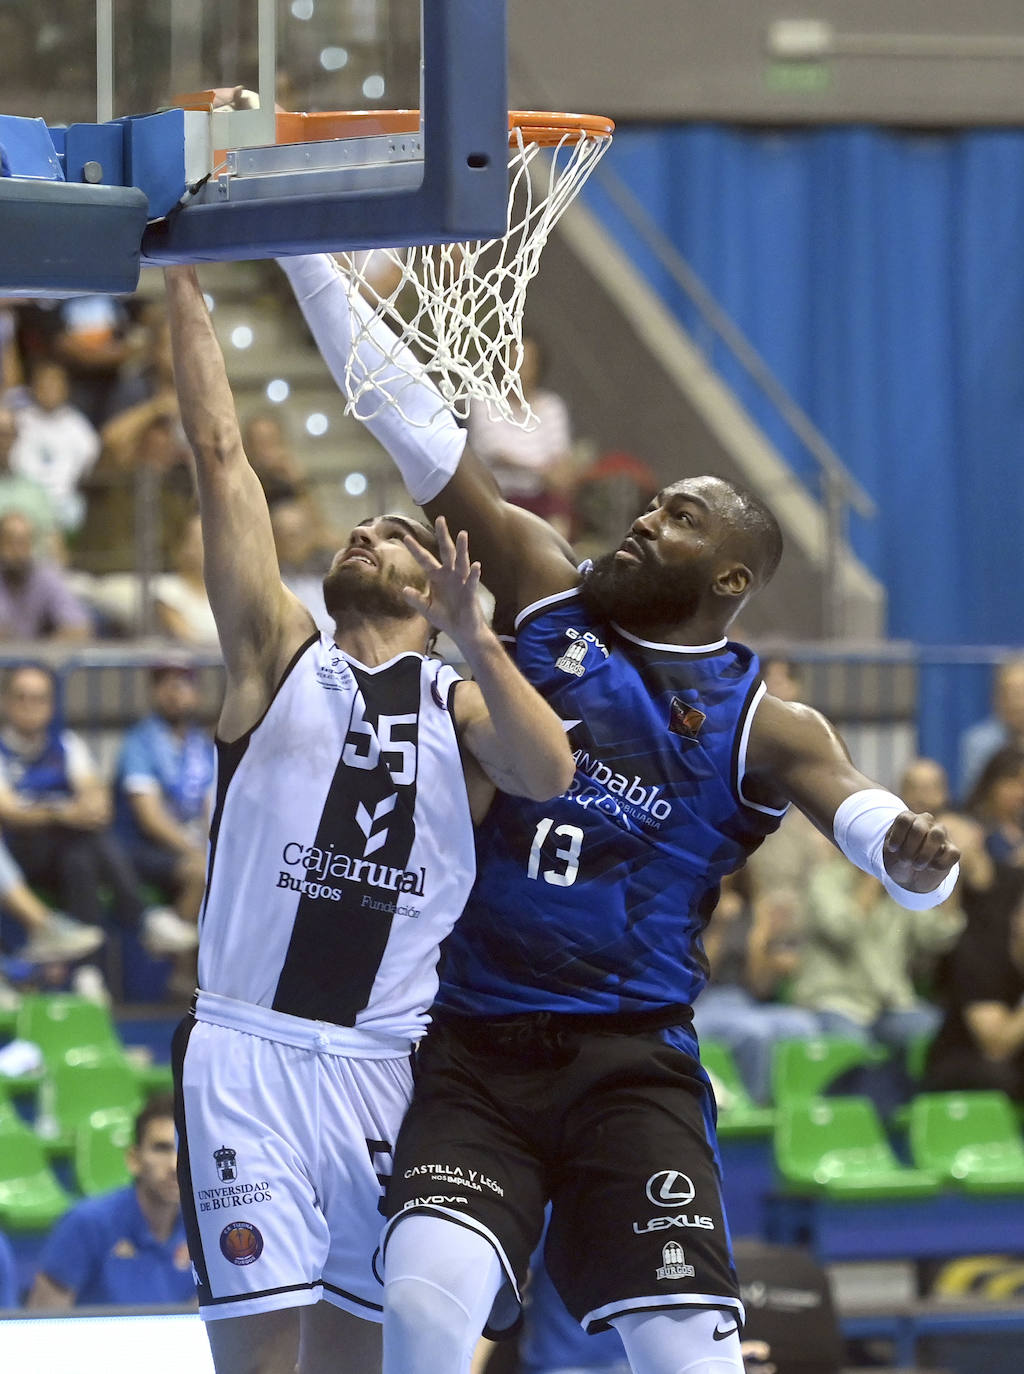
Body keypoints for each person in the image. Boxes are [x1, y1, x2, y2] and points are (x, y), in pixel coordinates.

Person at [280, 251, 962, 1374]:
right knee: (422, 1312)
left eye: (681, 520)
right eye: (652, 505)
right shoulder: (547, 591)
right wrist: (309, 254)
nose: (645, 520)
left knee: (685, 1355)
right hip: (476, 1043)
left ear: (730, 579)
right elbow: (413, 428)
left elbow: (877, 831)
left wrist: (908, 855)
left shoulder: (766, 723)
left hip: (629, 1063)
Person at [163, 264, 573, 1374]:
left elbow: (547, 774)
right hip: (249, 1049)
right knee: (260, 1363)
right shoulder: (276, 654)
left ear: (438, 576)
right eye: (359, 529)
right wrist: (182, 280)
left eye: (393, 532)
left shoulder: (463, 697)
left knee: (366, 1360)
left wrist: (478, 635)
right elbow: (218, 453)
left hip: (388, 1065)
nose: (366, 535)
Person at [0, 662, 197, 959]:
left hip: (64, 850)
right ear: (6, 702)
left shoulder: (66, 744)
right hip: (19, 851)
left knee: (84, 850)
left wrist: (89, 806)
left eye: (38, 698)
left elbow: (94, 791)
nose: (30, 706)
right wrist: (61, 812)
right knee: (84, 839)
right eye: (22, 697)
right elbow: (9, 810)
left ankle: (86, 966)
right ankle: (142, 919)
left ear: (51, 706)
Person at [26, 1093, 195, 1309]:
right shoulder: (86, 1223)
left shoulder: (204, 1229)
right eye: (161, 1148)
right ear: (134, 1159)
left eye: (184, 1149)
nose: (174, 1165)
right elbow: (42, 1329)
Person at [114, 661, 215, 926]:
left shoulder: (202, 744)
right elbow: (151, 819)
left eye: (182, 683)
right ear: (153, 691)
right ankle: (174, 957)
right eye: (164, 683)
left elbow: (210, 807)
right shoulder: (140, 742)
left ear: (197, 693)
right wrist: (197, 851)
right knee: (202, 872)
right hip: (141, 846)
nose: (174, 691)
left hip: (188, 844)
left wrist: (213, 847)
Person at [923, 889, 1024, 1102]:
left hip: (1010, 1062)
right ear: (1017, 918)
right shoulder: (981, 957)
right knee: (1002, 1075)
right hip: (961, 1063)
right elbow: (996, 1046)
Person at [8, 358, 100, 532]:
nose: (49, 390)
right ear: (33, 387)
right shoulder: (19, 421)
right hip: (24, 500)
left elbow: (90, 463)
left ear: (66, 388)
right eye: (44, 384)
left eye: (55, 384)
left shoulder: (78, 426)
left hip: (65, 501)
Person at [0, 510, 91, 641]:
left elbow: (79, 628)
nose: (17, 550)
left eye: (23, 542)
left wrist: (40, 654)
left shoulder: (45, 577)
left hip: (37, 659)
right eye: (10, 541)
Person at [957, 657, 1024, 801]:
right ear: (996, 698)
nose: (1015, 700)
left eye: (1020, 692)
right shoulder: (978, 742)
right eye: (1008, 692)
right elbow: (973, 796)